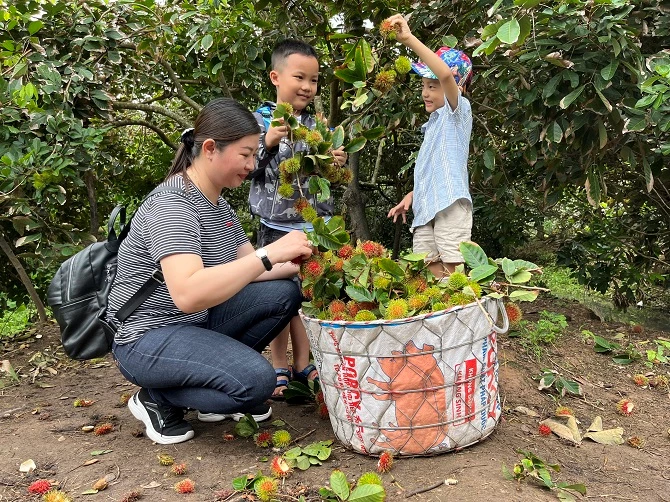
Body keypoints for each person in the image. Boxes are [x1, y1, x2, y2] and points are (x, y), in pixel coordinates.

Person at [107, 98, 313, 445]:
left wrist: (304, 262)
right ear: (210, 149)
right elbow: (188, 294)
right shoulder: (173, 204)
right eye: (246, 154)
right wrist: (268, 253)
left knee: (285, 294)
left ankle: (212, 385)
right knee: (257, 383)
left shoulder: (218, 203)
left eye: (255, 154)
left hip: (196, 325)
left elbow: (255, 270)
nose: (253, 164)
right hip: (145, 338)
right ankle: (155, 398)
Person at [248, 39, 347, 398]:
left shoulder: (317, 125)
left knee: (307, 296)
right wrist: (268, 142)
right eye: (300, 77)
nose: (308, 86)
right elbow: (246, 169)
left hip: (314, 228)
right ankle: (278, 364)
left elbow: (325, 176)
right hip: (275, 228)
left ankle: (304, 363)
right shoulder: (258, 122)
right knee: (278, 297)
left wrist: (334, 161)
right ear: (276, 77)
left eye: (314, 80)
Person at [386, 14, 474, 279]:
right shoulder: (433, 125)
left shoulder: (457, 112)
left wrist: (408, 38)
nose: (425, 92)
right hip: (425, 209)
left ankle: (462, 316)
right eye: (424, 86)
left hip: (449, 205)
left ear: (455, 86)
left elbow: (445, 73)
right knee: (428, 273)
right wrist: (411, 196)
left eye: (432, 86)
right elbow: (434, 169)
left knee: (452, 272)